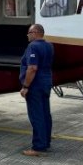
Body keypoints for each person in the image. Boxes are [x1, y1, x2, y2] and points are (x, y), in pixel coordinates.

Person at [20, 24, 54, 156]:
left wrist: (25, 86)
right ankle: (46, 142)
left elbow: (32, 68)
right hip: (46, 82)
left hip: (35, 85)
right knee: (45, 114)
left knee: (36, 116)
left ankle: (38, 146)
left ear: (35, 33)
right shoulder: (49, 46)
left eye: (29, 33)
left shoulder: (33, 46)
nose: (27, 35)